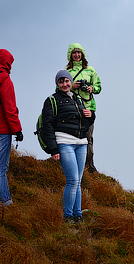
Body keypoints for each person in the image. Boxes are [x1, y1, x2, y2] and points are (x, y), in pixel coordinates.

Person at [41, 70, 95, 223]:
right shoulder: (52, 100)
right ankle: (67, 216)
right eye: (61, 81)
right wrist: (53, 149)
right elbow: (48, 126)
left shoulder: (78, 99)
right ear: (57, 84)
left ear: (71, 82)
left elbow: (85, 122)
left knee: (78, 181)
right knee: (72, 180)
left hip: (81, 144)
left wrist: (92, 115)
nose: (64, 84)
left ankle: (78, 215)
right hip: (64, 143)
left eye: (66, 81)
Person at [0, 49, 23, 207]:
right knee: (1, 167)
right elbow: (9, 108)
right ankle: (4, 201)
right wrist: (17, 129)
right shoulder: (4, 79)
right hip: (2, 130)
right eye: (10, 62)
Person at [66, 43, 101, 173]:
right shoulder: (67, 72)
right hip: (72, 108)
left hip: (88, 108)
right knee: (72, 136)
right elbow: (59, 89)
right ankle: (73, 165)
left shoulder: (91, 70)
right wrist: (72, 87)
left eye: (79, 52)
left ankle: (89, 167)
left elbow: (99, 87)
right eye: (74, 52)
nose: (76, 55)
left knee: (88, 138)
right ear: (70, 55)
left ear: (83, 54)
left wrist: (92, 88)